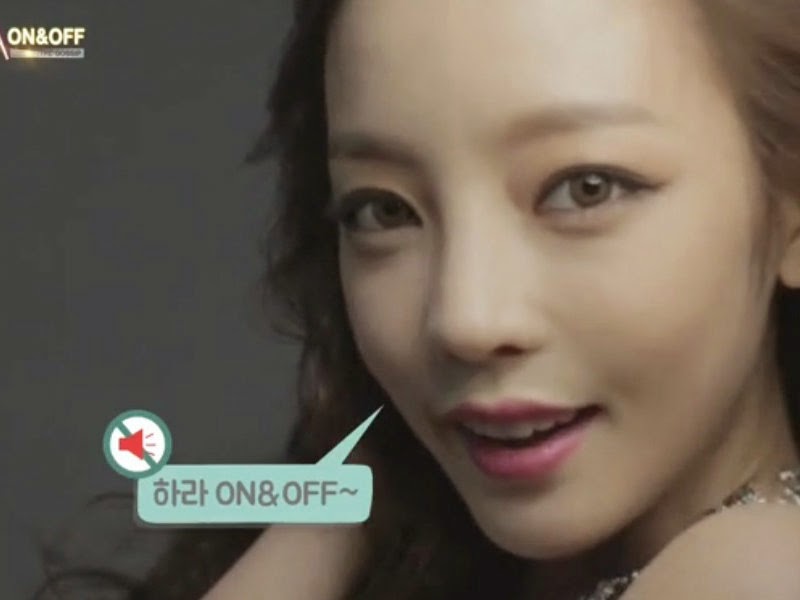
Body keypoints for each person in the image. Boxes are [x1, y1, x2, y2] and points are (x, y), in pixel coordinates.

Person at [36, 0, 800, 598]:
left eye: (585, 188)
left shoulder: (753, 571)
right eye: (384, 210)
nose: (464, 318)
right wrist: (354, 497)